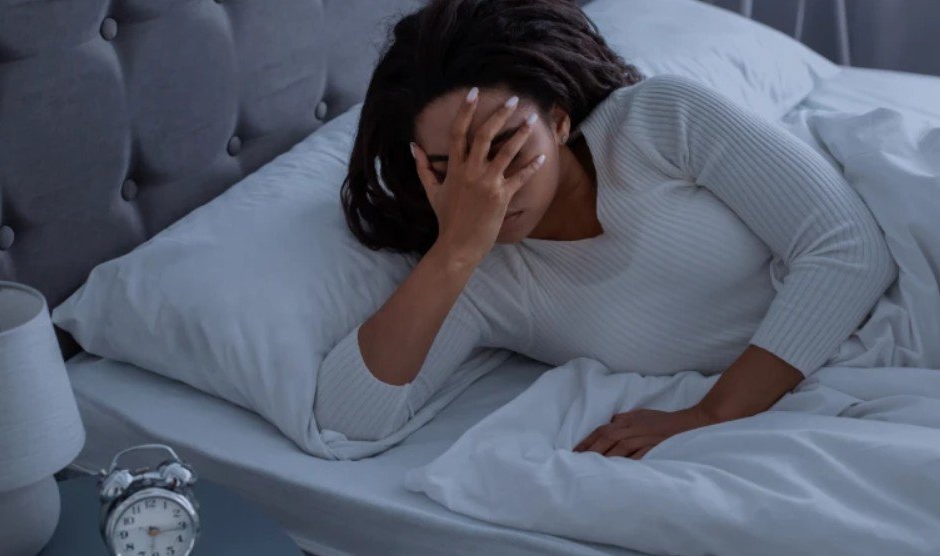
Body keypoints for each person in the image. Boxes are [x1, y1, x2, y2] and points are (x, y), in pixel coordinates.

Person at [314, 0, 898, 456]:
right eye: (451, 171)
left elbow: (851, 249)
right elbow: (346, 421)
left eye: (506, 149)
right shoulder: (484, 284)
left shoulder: (659, 120)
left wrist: (712, 413)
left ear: (558, 120)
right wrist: (454, 255)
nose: (490, 189)